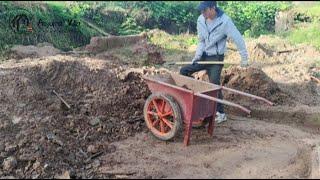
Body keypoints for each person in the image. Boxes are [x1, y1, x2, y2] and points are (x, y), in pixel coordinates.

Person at [180, 1, 249, 123]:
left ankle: (221, 113)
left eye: (205, 10)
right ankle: (192, 102)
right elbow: (201, 40)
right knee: (183, 71)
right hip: (203, 56)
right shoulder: (201, 20)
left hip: (216, 59)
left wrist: (244, 58)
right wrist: (197, 56)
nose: (202, 13)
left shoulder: (225, 21)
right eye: (201, 10)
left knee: (214, 85)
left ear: (213, 8)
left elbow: (238, 38)